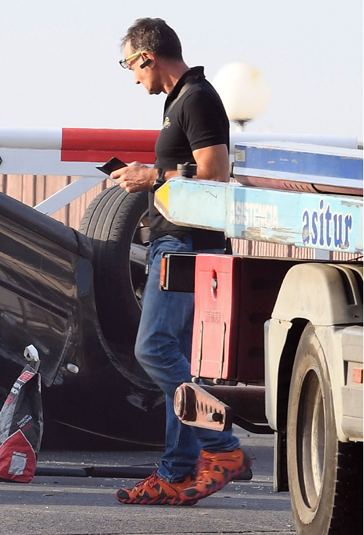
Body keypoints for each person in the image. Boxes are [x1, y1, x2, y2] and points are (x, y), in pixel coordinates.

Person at [110, 18, 249, 506]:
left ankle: (222, 446)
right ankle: (175, 470)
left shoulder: (197, 97)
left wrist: (151, 176)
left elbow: (214, 172)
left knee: (153, 350)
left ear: (148, 56)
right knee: (179, 363)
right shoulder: (180, 102)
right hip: (180, 243)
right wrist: (152, 175)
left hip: (187, 245)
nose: (131, 76)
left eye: (129, 64)